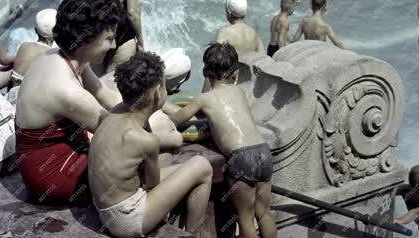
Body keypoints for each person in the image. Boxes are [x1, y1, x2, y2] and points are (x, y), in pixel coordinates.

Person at [15, 0, 123, 204]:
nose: (114, 46)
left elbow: (104, 93)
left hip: (50, 158)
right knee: (146, 149)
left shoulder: (63, 56)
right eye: (109, 39)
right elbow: (117, 136)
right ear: (86, 40)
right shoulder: (67, 90)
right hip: (54, 179)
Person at [88, 52, 213, 237]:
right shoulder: (146, 141)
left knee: (174, 162)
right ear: (157, 91)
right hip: (126, 219)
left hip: (105, 208)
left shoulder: (117, 112)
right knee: (202, 166)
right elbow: (152, 182)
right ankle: (192, 234)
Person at [171, 43, 277, 238]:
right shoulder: (239, 92)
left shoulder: (205, 98)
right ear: (235, 73)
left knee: (245, 218)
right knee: (263, 214)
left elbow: (178, 118)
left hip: (241, 156)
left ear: (205, 72)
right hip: (263, 151)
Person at [6, 8, 57, 105]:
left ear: (35, 30)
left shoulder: (24, 46)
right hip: (27, 105)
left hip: (11, 99)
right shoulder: (50, 54)